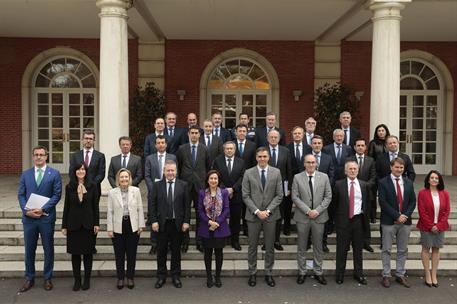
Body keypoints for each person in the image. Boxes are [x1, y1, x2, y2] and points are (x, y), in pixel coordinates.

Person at [18, 146, 62, 292]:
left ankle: (47, 278)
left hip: (46, 218)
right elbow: (21, 195)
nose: (38, 157)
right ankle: (29, 278)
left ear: (46, 157)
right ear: (33, 157)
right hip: (29, 219)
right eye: (36, 154)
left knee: (48, 249)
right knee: (29, 249)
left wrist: (43, 209)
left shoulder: (54, 174)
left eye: (41, 155)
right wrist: (26, 210)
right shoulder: (26, 174)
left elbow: (57, 195)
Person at [242, 147, 283, 287]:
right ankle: (252, 273)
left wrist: (268, 211)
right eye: (259, 156)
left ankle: (268, 273)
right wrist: (257, 211)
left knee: (270, 246)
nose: (262, 159)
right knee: (252, 246)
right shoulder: (248, 173)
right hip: (253, 216)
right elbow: (245, 195)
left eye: (265, 156)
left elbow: (279, 195)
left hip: (270, 216)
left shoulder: (276, 172)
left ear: (269, 157)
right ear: (256, 157)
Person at [150, 160, 191, 289]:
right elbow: (152, 205)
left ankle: (175, 276)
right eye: (168, 170)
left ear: (176, 171)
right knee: (161, 251)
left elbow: (187, 206)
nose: (170, 173)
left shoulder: (183, 185)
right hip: (162, 224)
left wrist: (186, 221)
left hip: (177, 224)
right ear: (164, 171)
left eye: (172, 170)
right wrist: (154, 221)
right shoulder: (157, 186)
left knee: (176, 252)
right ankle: (161, 276)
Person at [292, 154, 332, 286]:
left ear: (316, 164)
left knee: (318, 246)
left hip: (319, 217)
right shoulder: (297, 177)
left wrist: (317, 210)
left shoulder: (324, 177)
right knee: (302, 246)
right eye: (308, 162)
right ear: (304, 164)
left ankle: (318, 271)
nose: (310, 165)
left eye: (313, 162)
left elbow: (328, 196)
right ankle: (302, 271)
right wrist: (308, 211)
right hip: (303, 217)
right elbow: (295, 197)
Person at [378, 158, 416, 288]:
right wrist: (397, 215)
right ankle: (386, 275)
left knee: (402, 250)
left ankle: (400, 274)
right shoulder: (383, 182)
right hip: (389, 221)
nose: (399, 169)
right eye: (397, 167)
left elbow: (412, 202)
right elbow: (383, 202)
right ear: (391, 167)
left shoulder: (409, 182)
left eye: (401, 167)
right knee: (386, 249)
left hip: (405, 222)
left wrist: (405, 215)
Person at [62, 163, 99, 291]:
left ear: (86, 171)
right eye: (78, 169)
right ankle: (77, 280)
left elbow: (95, 206)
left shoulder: (93, 186)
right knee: (75, 255)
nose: (81, 171)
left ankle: (87, 280)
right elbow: (66, 206)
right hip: (73, 225)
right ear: (74, 171)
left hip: (88, 225)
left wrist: (96, 223)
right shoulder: (69, 187)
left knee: (88, 254)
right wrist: (64, 226)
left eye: (83, 169)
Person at [107, 168, 145, 290]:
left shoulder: (136, 191)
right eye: (122, 177)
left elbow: (140, 208)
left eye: (126, 177)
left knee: (131, 253)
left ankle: (130, 277)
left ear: (130, 179)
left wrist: (141, 225)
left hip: (132, 225)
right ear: (118, 179)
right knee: (119, 254)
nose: (124, 179)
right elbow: (110, 211)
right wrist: (110, 228)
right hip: (118, 226)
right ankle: (120, 278)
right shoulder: (112, 192)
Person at [333, 161, 370, 285]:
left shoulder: (364, 185)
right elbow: (334, 204)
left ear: (358, 171)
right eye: (350, 169)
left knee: (358, 250)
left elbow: (367, 204)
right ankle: (340, 275)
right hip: (343, 222)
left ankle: (358, 274)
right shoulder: (338, 185)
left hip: (358, 221)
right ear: (345, 171)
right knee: (341, 250)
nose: (353, 171)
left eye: (355, 169)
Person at [69, 129, 105, 254]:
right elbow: (71, 172)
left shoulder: (100, 156)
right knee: (78, 214)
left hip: (93, 191)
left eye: (91, 138)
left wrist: (90, 186)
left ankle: (91, 244)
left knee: (92, 215)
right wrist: (79, 183)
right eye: (86, 138)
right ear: (82, 140)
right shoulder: (75, 155)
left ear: (94, 140)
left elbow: (101, 174)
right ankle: (79, 243)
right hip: (77, 189)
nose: (88, 140)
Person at [177, 126, 210, 252]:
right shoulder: (182, 149)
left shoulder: (205, 149)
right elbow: (179, 168)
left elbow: (207, 167)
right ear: (188, 134)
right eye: (192, 133)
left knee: (200, 215)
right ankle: (184, 242)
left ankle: (199, 241)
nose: (194, 135)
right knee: (184, 214)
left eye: (197, 133)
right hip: (185, 186)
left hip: (200, 187)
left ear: (200, 135)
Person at [417, 170, 451, 287]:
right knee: (426, 249)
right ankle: (427, 274)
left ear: (439, 180)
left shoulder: (445, 193)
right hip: (426, 226)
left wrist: (439, 225)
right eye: (432, 177)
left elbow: (447, 211)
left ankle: (434, 274)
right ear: (428, 179)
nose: (434, 180)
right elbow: (422, 211)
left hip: (440, 227)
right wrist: (431, 226)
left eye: (436, 178)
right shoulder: (422, 193)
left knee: (436, 250)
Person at [197, 170, 231, 288]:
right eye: (211, 178)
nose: (213, 181)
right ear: (207, 180)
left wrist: (217, 222)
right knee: (207, 253)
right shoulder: (202, 193)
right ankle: (209, 277)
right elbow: (200, 211)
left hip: (220, 227)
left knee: (218, 253)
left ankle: (217, 277)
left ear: (218, 180)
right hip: (206, 227)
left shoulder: (224, 192)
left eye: (215, 178)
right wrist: (209, 221)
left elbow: (226, 209)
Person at [144, 135, 177, 254]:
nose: (161, 145)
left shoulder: (172, 157)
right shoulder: (149, 158)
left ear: (166, 144)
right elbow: (147, 176)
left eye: (163, 142)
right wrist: (154, 189)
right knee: (155, 218)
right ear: (155, 145)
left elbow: (174, 173)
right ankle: (154, 244)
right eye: (158, 143)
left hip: (169, 192)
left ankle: (167, 244)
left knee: (167, 220)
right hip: (154, 193)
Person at [212, 141, 245, 250]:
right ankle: (221, 239)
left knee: (235, 219)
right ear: (224, 149)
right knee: (220, 218)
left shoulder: (241, 162)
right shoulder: (217, 161)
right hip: (221, 195)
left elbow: (242, 177)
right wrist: (225, 190)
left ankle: (234, 241)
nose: (229, 150)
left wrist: (233, 189)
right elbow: (215, 176)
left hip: (236, 195)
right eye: (227, 148)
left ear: (235, 150)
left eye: (231, 148)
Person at [346, 138, 376, 251]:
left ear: (365, 147)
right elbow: (346, 174)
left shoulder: (371, 160)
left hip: (367, 194)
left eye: (362, 145)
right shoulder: (349, 160)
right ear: (354, 147)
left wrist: (363, 186)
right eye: (358, 145)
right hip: (351, 194)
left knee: (365, 219)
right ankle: (349, 242)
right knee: (350, 219)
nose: (360, 147)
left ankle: (366, 243)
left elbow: (373, 177)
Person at [267, 129, 292, 250]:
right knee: (266, 215)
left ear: (279, 139)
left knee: (278, 216)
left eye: (275, 137)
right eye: (271, 137)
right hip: (265, 188)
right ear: (268, 138)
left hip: (281, 189)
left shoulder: (285, 151)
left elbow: (289, 171)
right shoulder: (262, 151)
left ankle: (276, 240)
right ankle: (267, 242)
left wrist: (289, 188)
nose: (273, 139)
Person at [286, 126, 311, 235]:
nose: (297, 135)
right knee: (287, 207)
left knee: (305, 205)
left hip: (305, 181)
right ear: (292, 134)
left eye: (299, 133)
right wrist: (289, 185)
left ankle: (304, 230)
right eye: (295, 133)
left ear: (303, 135)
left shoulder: (308, 148)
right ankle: (287, 228)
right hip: (291, 181)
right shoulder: (287, 148)